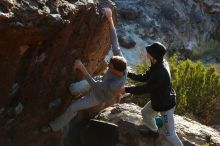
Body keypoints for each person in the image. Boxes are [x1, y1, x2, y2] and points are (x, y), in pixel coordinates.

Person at [41, 8, 127, 132]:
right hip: (98, 82)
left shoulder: (115, 84)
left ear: (116, 70)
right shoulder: (121, 62)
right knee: (73, 89)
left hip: (99, 95)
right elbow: (115, 43)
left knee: (73, 107)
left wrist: (82, 68)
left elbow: (95, 85)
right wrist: (109, 18)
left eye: (110, 66)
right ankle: (76, 97)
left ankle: (52, 126)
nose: (108, 65)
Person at [120, 42, 183, 146]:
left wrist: (126, 89)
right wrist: (128, 74)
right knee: (145, 112)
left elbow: (145, 88)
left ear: (154, 56)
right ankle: (154, 131)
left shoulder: (160, 72)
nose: (147, 52)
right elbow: (145, 77)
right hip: (158, 101)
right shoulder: (158, 63)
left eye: (149, 51)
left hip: (166, 106)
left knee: (170, 135)